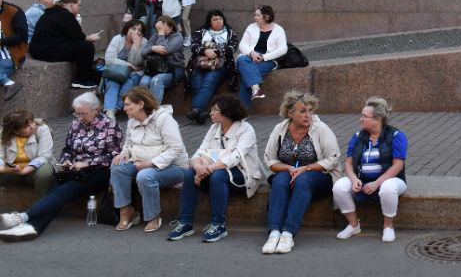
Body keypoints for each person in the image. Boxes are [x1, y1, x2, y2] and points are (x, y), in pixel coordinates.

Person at [0, 92, 123, 241]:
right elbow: (67, 150)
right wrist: (66, 161)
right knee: (56, 191)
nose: (79, 118)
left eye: (82, 114)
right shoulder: (76, 124)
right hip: (74, 170)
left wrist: (88, 163)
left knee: (65, 190)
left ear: (96, 110)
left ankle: (22, 218)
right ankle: (31, 228)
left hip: (98, 172)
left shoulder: (110, 126)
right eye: (76, 114)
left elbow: (115, 155)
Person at [168, 95, 263, 243]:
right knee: (189, 173)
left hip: (243, 175)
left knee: (218, 175)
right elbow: (200, 152)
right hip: (214, 171)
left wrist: (208, 168)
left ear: (228, 112)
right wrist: (198, 167)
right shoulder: (214, 128)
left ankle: (219, 224)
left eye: (216, 110)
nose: (211, 113)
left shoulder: (246, 129)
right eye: (211, 110)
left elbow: (236, 157)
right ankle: (186, 223)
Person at [261, 91, 342, 255]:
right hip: (289, 173)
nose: (308, 115)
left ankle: (288, 233)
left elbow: (333, 158)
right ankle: (274, 232)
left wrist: (306, 168)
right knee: (279, 181)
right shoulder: (280, 129)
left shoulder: (320, 128)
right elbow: (269, 159)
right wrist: (288, 168)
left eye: (310, 111)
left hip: (319, 175)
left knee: (303, 180)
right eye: (303, 111)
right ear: (290, 113)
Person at [110, 87, 189, 233]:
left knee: (145, 175)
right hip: (142, 161)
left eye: (128, 105)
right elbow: (129, 143)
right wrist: (124, 153)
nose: (124, 108)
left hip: (175, 167)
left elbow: (176, 148)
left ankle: (153, 216)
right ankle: (126, 210)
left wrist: (150, 164)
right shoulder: (132, 121)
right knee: (117, 167)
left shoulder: (164, 119)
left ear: (140, 104)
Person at [334, 97, 409, 244]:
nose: (360, 119)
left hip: (391, 180)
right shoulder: (357, 137)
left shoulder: (395, 136)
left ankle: (388, 226)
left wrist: (376, 183)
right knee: (339, 187)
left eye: (364, 116)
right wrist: (354, 179)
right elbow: (348, 164)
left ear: (378, 119)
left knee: (388, 188)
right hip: (363, 180)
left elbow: (397, 166)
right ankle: (354, 225)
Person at [28, 0, 101, 89]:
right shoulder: (65, 15)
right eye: (79, 5)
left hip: (37, 49)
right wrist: (90, 38)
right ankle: (81, 80)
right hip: (46, 50)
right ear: (71, 5)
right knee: (87, 47)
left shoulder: (51, 12)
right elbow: (78, 37)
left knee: (79, 46)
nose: (80, 8)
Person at [186, 9, 239, 123]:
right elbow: (193, 46)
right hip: (199, 64)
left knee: (208, 82)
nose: (219, 21)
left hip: (220, 65)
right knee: (197, 85)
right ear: (209, 21)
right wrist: (205, 51)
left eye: (220, 19)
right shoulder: (200, 31)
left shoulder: (230, 32)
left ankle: (196, 110)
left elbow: (232, 48)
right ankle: (200, 114)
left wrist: (216, 52)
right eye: (215, 19)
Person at [236, 5, 287, 104]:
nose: (255, 17)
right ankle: (256, 88)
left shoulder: (278, 29)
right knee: (242, 60)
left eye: (258, 15)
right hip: (249, 58)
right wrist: (251, 53)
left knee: (246, 75)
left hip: (268, 60)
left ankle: (240, 115)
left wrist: (264, 57)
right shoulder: (251, 27)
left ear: (266, 17)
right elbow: (242, 44)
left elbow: (283, 49)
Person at [0, 109, 55, 198]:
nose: (32, 126)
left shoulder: (42, 128)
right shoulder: (4, 134)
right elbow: (0, 157)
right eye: (26, 126)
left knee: (45, 172)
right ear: (15, 131)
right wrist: (8, 169)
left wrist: (24, 171)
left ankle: (42, 203)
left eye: (32, 122)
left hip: (35, 170)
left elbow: (44, 156)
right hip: (13, 172)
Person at [101, 20, 146, 120]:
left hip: (134, 73)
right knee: (112, 83)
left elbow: (136, 63)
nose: (136, 32)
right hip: (116, 71)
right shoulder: (118, 39)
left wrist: (136, 46)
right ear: (127, 29)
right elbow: (109, 59)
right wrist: (127, 64)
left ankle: (113, 110)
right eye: (133, 29)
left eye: (139, 30)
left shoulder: (144, 42)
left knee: (128, 85)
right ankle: (109, 112)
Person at [137, 16, 185, 103]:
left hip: (173, 69)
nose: (160, 27)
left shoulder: (178, 37)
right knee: (144, 82)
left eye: (163, 24)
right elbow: (143, 52)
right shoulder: (155, 36)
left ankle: (154, 112)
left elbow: (164, 50)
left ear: (171, 27)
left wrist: (161, 34)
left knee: (156, 81)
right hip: (155, 68)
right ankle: (143, 111)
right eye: (159, 24)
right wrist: (152, 48)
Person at [0, 0, 28, 100]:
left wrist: (1, 42)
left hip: (11, 53)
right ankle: (9, 83)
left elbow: (22, 36)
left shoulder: (13, 11)